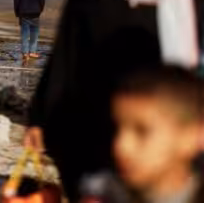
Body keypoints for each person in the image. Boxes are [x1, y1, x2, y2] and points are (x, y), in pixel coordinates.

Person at [25, 0, 203, 201]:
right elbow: (66, 53)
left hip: (154, 136)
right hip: (91, 126)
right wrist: (40, 116)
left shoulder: (185, 4)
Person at [79, 68, 204, 202]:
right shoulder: (103, 194)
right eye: (116, 128)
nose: (121, 147)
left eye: (142, 131)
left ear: (193, 137)